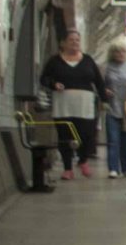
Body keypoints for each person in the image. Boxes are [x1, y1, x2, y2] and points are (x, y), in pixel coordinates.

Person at [38, 30, 102, 180]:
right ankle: (67, 168)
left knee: (87, 134)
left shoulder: (87, 60)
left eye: (77, 40)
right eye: (71, 40)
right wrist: (54, 84)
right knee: (65, 136)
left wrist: (104, 99)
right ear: (63, 43)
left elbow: (98, 81)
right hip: (63, 104)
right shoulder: (55, 61)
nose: (75, 43)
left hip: (84, 105)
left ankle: (83, 160)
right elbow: (44, 79)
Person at [102, 42, 126, 177]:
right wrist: (104, 91)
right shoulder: (106, 68)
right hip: (112, 108)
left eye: (123, 51)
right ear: (112, 53)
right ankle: (113, 168)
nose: (120, 54)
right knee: (113, 140)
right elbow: (99, 85)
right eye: (117, 51)